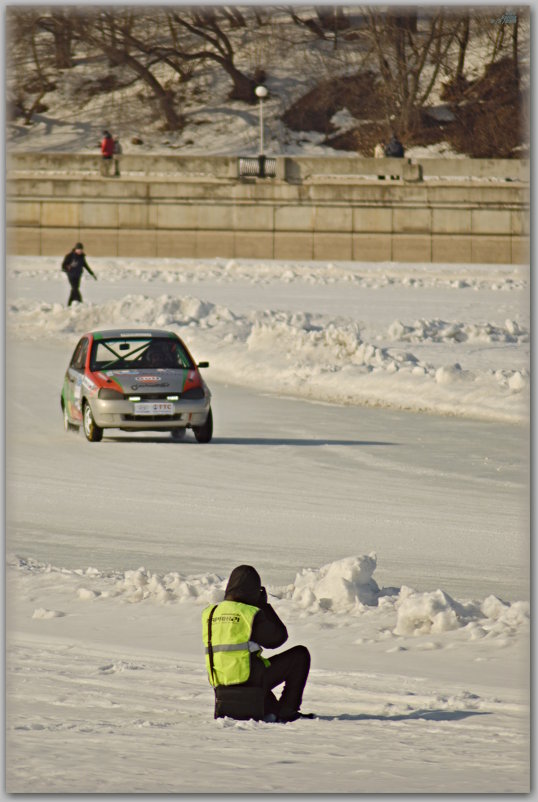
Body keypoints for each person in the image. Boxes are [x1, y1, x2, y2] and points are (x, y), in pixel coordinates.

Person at [202, 565, 312, 723]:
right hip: (249, 680)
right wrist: (264, 606)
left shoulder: (210, 613)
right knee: (300, 655)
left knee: (258, 671)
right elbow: (278, 638)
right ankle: (288, 711)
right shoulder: (248, 613)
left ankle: (271, 708)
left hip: (222, 684)